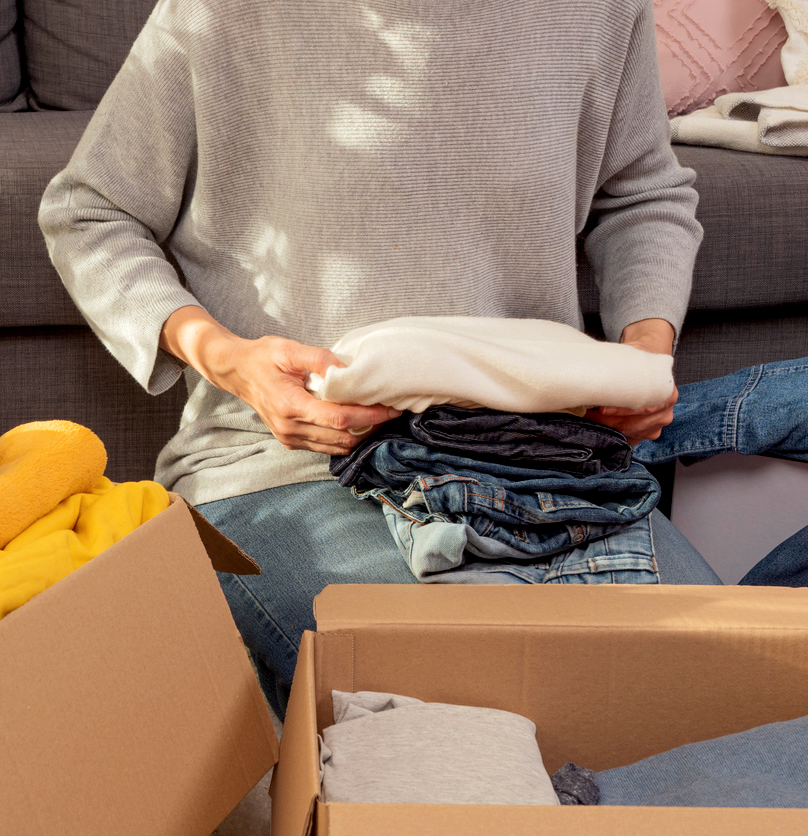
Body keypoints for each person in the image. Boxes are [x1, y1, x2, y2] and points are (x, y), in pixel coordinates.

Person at [39, 0, 723, 715]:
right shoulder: (224, 12)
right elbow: (91, 213)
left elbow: (643, 194)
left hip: (546, 464)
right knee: (471, 713)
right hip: (293, 467)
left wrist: (644, 352)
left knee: (725, 692)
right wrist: (230, 360)